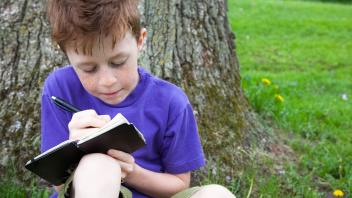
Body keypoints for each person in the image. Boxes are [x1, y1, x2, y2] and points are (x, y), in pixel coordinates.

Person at [42, 0, 236, 197]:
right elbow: (57, 186)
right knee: (98, 165)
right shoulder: (60, 89)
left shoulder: (170, 102)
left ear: (140, 40)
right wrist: (70, 151)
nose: (108, 81)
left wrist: (131, 172)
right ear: (64, 52)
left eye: (118, 62)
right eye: (89, 69)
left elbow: (179, 184)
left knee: (217, 194)